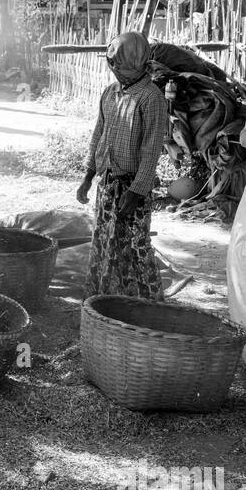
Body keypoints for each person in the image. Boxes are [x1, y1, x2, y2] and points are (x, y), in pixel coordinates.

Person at [76, 31, 171, 298]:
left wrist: (136, 191)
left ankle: (148, 306)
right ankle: (107, 301)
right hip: (107, 183)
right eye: (114, 67)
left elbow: (151, 149)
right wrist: (88, 175)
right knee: (105, 244)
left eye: (123, 69)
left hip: (132, 188)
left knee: (135, 247)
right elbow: (99, 134)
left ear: (139, 66)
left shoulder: (150, 98)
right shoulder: (110, 93)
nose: (117, 72)